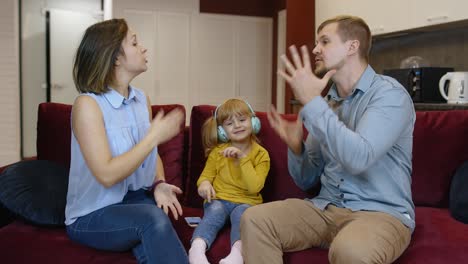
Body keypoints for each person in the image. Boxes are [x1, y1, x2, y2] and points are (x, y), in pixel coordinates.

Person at [241, 15, 416, 264]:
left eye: (324, 41)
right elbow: (307, 179)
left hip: (380, 213)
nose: (315, 49)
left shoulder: (389, 95)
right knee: (255, 219)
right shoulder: (327, 104)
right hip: (326, 208)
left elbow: (359, 158)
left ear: (352, 46)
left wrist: (312, 103)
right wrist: (296, 146)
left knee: (351, 251)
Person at [64, 19, 189, 263]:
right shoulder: (87, 105)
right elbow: (107, 174)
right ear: (115, 58)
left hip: (135, 201)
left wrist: (159, 184)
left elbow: (151, 156)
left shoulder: (142, 100)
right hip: (92, 213)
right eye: (135, 43)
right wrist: (154, 136)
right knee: (152, 219)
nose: (143, 48)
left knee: (167, 221)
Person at [188, 99, 271, 264]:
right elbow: (205, 177)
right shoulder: (218, 152)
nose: (237, 126)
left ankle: (237, 255)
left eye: (242, 120)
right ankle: (197, 249)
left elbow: (255, 187)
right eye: (229, 123)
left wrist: (242, 158)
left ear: (253, 122)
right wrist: (204, 185)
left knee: (243, 215)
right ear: (222, 131)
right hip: (219, 199)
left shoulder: (262, 155)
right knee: (215, 211)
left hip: (247, 202)